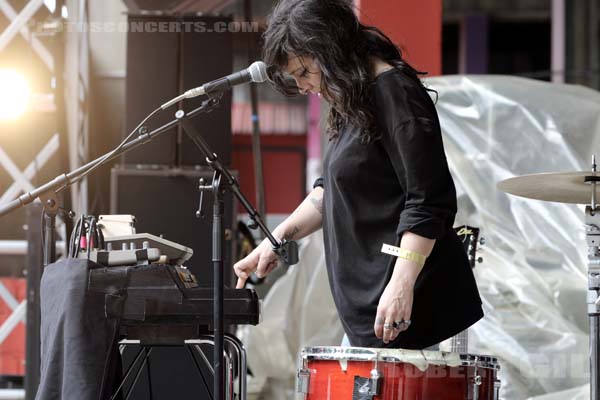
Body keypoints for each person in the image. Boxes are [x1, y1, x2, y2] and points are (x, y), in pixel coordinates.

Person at [234, 0, 483, 350]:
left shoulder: (395, 94)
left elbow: (429, 201)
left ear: (331, 51)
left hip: (411, 308)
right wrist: (275, 240)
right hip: (373, 310)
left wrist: (400, 286)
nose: (303, 86)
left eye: (305, 72)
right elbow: (328, 192)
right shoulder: (353, 99)